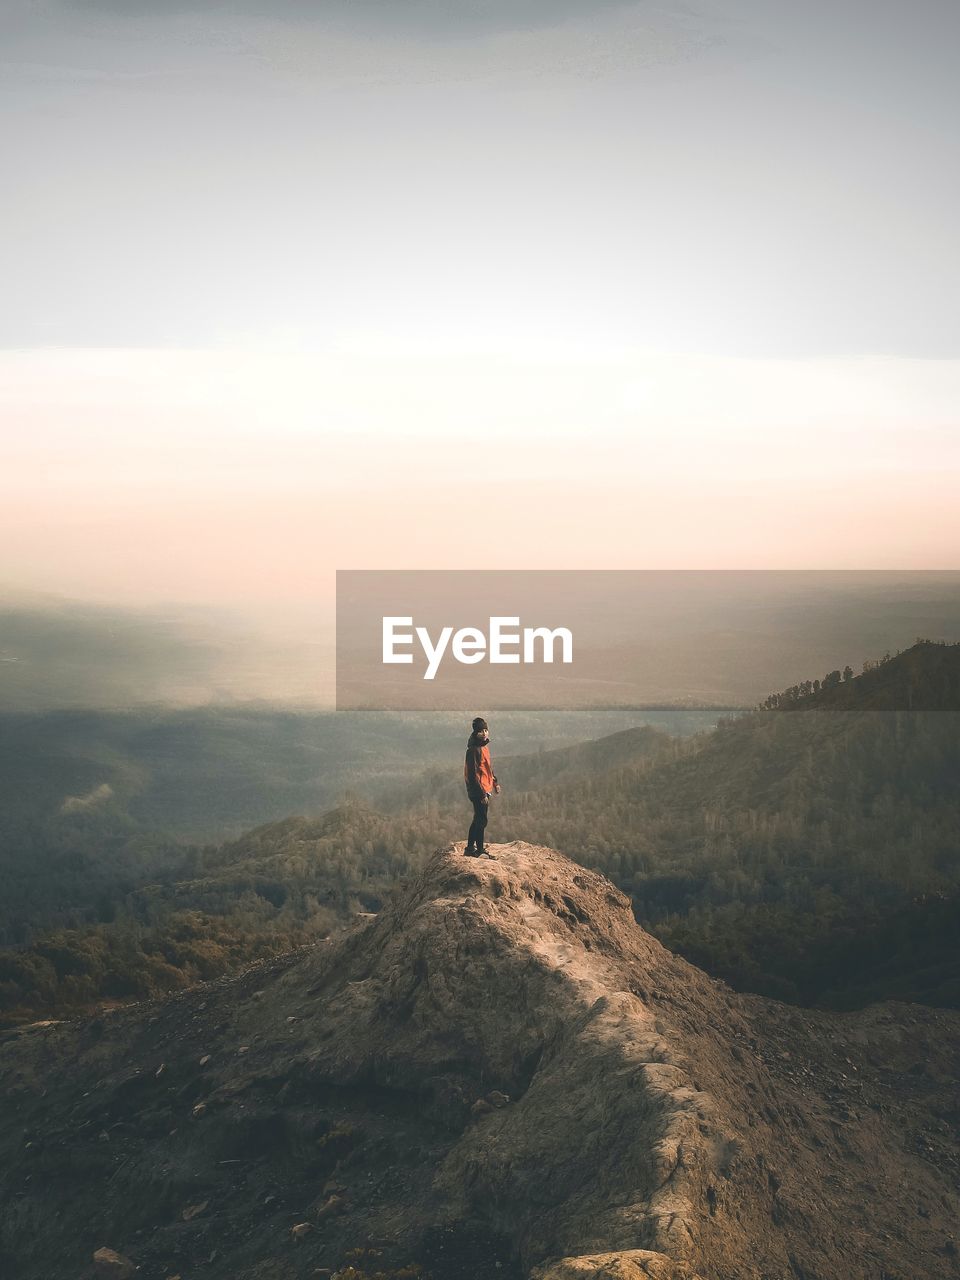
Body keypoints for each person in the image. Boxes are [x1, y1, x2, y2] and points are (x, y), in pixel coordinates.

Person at [464, 716, 500, 857]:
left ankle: (470, 849)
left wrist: (495, 782)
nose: (484, 733)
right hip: (478, 791)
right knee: (481, 820)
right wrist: (482, 794)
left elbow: (487, 768)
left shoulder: (484, 747)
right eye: (480, 731)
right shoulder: (473, 750)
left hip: (485, 788)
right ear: (475, 733)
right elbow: (473, 775)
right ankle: (478, 850)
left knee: (478, 819)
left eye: (486, 730)